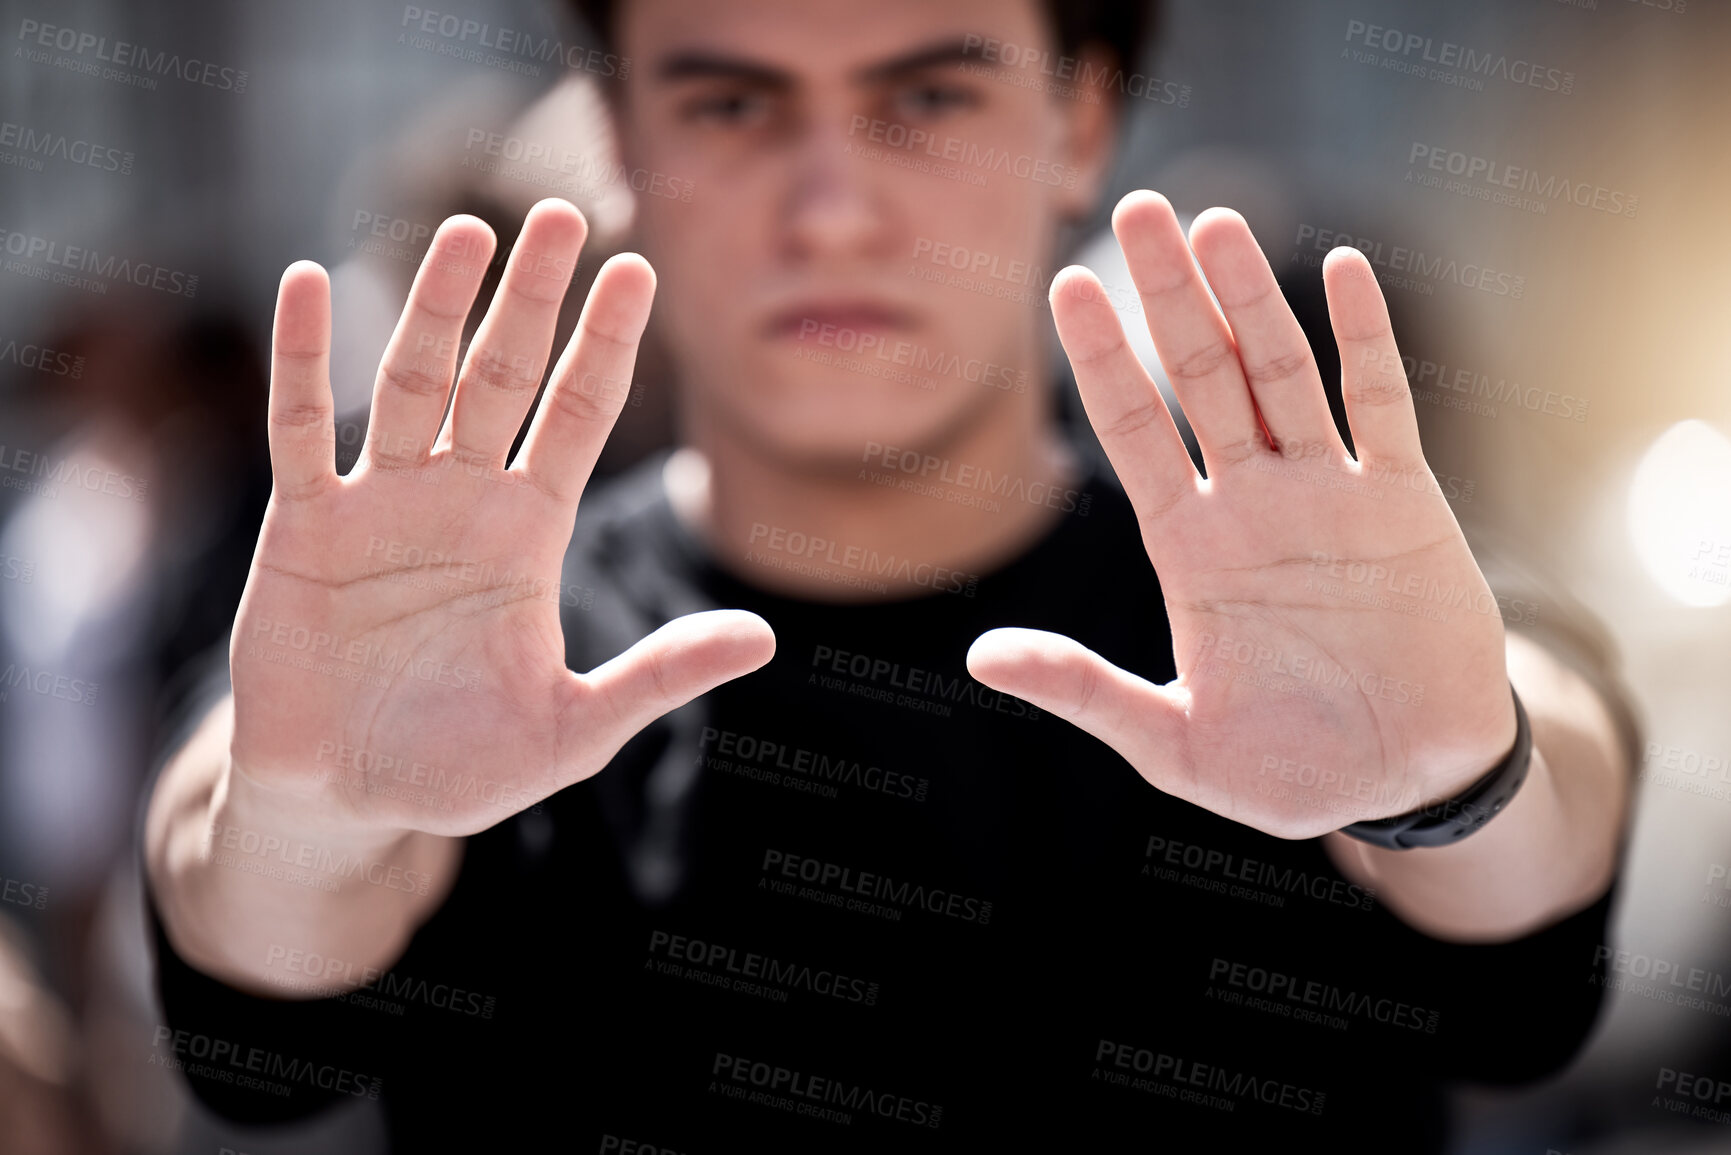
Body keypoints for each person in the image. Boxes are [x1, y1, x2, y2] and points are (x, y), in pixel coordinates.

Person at [142, 0, 1636, 1148]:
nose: (833, 205)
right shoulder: (456, 637)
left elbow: (1531, 810)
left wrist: (1450, 787)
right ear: (616, 138)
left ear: (1083, 114)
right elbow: (250, 897)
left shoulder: (1301, 607)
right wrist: (306, 820)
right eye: (731, 101)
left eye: (927, 94)